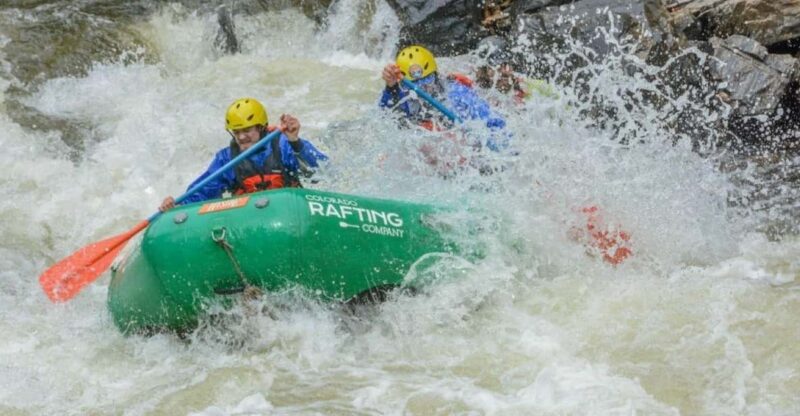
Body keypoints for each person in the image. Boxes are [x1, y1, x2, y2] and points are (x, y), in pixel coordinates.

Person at [159, 97, 327, 211]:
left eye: (247, 130)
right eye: (236, 132)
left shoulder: (284, 145)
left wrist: (295, 141)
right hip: (250, 217)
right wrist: (177, 206)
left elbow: (320, 171)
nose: (241, 137)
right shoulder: (227, 159)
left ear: (261, 127)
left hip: (290, 209)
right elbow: (203, 191)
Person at [379, 45, 509, 152]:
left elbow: (495, 122)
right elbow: (383, 115)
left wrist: (495, 144)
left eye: (428, 81)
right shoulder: (402, 95)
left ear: (436, 76)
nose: (423, 91)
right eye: (416, 85)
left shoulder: (457, 94)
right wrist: (390, 88)